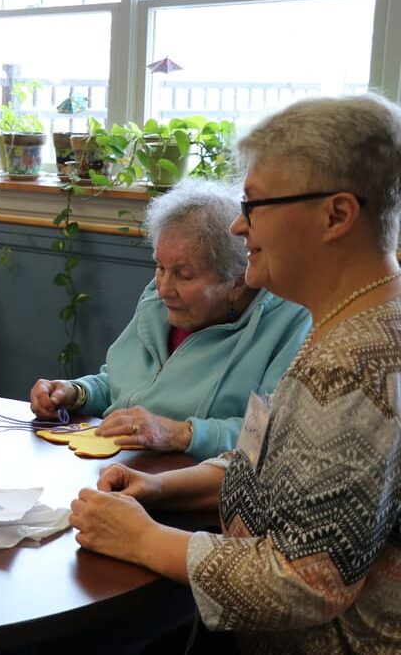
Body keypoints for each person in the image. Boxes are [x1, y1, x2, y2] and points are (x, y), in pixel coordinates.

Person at [70, 95, 401, 652]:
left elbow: (304, 580)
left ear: (337, 215)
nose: (238, 225)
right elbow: (272, 461)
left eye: (256, 204)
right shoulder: (349, 320)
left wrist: (146, 541)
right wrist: (159, 486)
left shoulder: (356, 365)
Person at [29, 178, 310, 459]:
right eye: (160, 267)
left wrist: (182, 434)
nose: (163, 288)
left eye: (184, 275)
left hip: (198, 485)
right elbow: (121, 385)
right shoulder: (159, 300)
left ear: (237, 282)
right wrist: (77, 392)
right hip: (118, 467)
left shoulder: (289, 321)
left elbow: (267, 436)